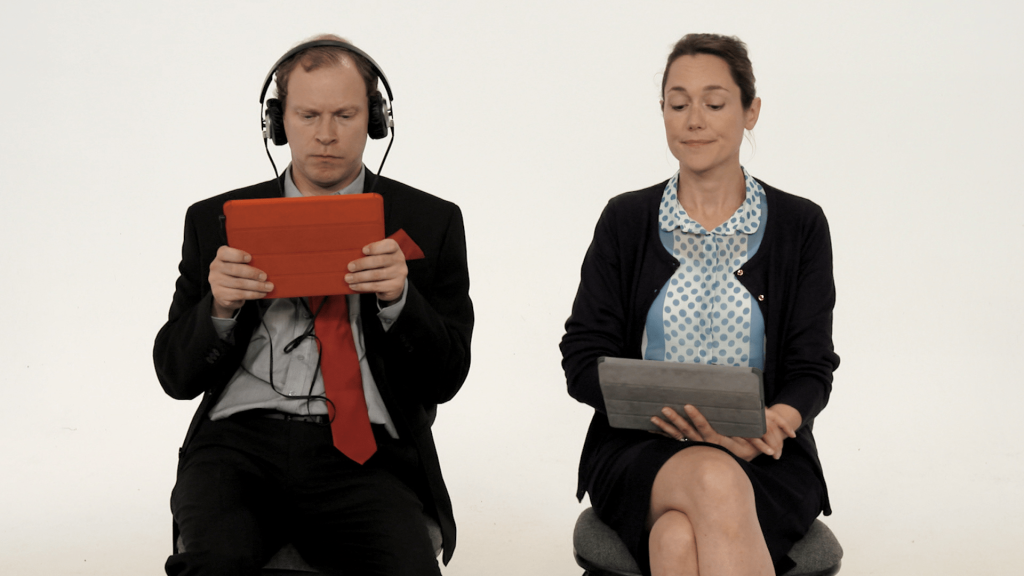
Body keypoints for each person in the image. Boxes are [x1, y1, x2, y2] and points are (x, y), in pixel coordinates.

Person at [153, 34, 473, 576]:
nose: (326, 135)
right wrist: (220, 308)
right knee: (214, 563)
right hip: (238, 446)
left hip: (364, 452)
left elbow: (447, 377)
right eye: (307, 115)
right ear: (278, 124)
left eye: (345, 115)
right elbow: (175, 376)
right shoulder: (213, 221)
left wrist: (401, 299)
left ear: (375, 120)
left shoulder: (431, 222)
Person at [560, 33, 839, 576]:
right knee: (712, 478)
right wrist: (653, 407)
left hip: (767, 457)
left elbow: (812, 367)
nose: (694, 120)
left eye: (714, 104)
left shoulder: (800, 225)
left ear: (750, 111)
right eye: (678, 103)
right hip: (640, 452)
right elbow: (582, 357)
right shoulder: (625, 220)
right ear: (661, 111)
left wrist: (775, 422)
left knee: (675, 541)